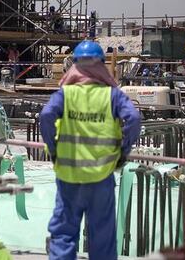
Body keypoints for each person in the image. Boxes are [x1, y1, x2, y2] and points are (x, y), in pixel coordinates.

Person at [40, 40, 141, 260]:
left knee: (64, 234)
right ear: (102, 66)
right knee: (102, 237)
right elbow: (133, 118)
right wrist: (123, 152)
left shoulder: (65, 95)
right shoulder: (112, 96)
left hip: (69, 177)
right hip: (101, 177)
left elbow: (46, 116)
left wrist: (53, 148)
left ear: (74, 65)